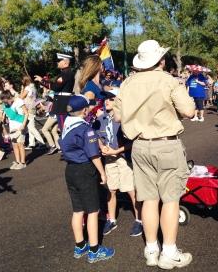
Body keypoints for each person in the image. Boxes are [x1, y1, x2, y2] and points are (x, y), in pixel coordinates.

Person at [113, 39, 195, 269]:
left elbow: (118, 117)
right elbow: (189, 111)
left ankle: (151, 249)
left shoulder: (127, 83)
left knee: (148, 199)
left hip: (139, 145)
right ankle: (169, 252)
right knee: (170, 199)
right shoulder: (168, 80)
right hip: (166, 143)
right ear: (161, 60)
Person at [59, 95, 115, 263]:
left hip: (70, 169)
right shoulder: (85, 129)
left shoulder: (66, 124)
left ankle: (80, 245)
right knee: (92, 211)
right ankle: (94, 250)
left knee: (78, 210)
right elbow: (93, 155)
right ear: (84, 110)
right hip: (84, 169)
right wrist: (102, 173)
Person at [95, 89, 143, 237]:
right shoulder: (101, 119)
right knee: (111, 190)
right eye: (106, 98)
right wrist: (101, 146)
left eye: (111, 98)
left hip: (123, 158)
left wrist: (116, 151)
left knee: (130, 190)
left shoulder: (124, 119)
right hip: (109, 159)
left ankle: (140, 220)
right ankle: (112, 220)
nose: (107, 101)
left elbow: (133, 142)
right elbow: (97, 136)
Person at [35, 53, 75, 129]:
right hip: (60, 103)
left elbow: (55, 87)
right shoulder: (64, 73)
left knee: (64, 129)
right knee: (60, 129)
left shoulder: (65, 74)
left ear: (65, 62)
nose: (57, 62)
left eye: (59, 60)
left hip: (62, 105)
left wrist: (42, 81)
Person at [0, 90, 29, 170]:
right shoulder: (6, 105)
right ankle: (17, 161)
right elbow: (7, 114)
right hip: (12, 126)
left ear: (9, 97)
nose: (5, 103)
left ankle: (23, 162)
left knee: (20, 144)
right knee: (14, 144)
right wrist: (4, 118)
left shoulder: (19, 101)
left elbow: (26, 113)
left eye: (6, 101)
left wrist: (23, 125)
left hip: (20, 125)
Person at [20, 75, 45, 150]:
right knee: (30, 126)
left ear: (25, 80)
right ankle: (32, 143)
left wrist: (22, 89)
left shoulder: (27, 88)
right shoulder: (33, 87)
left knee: (31, 127)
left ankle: (42, 142)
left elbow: (21, 97)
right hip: (32, 107)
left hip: (28, 108)